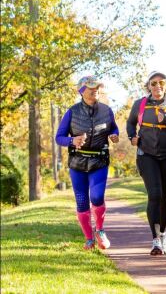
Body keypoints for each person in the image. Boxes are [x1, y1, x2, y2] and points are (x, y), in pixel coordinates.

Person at [126, 71, 166, 255]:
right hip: (147, 155)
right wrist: (132, 136)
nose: (157, 86)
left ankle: (163, 234)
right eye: (153, 83)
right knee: (154, 195)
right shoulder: (140, 104)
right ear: (149, 86)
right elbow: (130, 123)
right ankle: (155, 241)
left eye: (161, 82)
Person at [56, 76, 119, 250]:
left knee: (97, 197)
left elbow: (113, 127)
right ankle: (89, 239)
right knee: (82, 202)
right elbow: (59, 137)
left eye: (98, 87)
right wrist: (72, 140)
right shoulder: (72, 112)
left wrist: (114, 134)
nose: (96, 90)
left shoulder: (106, 110)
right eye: (92, 87)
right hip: (77, 162)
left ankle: (100, 230)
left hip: (99, 160)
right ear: (82, 91)